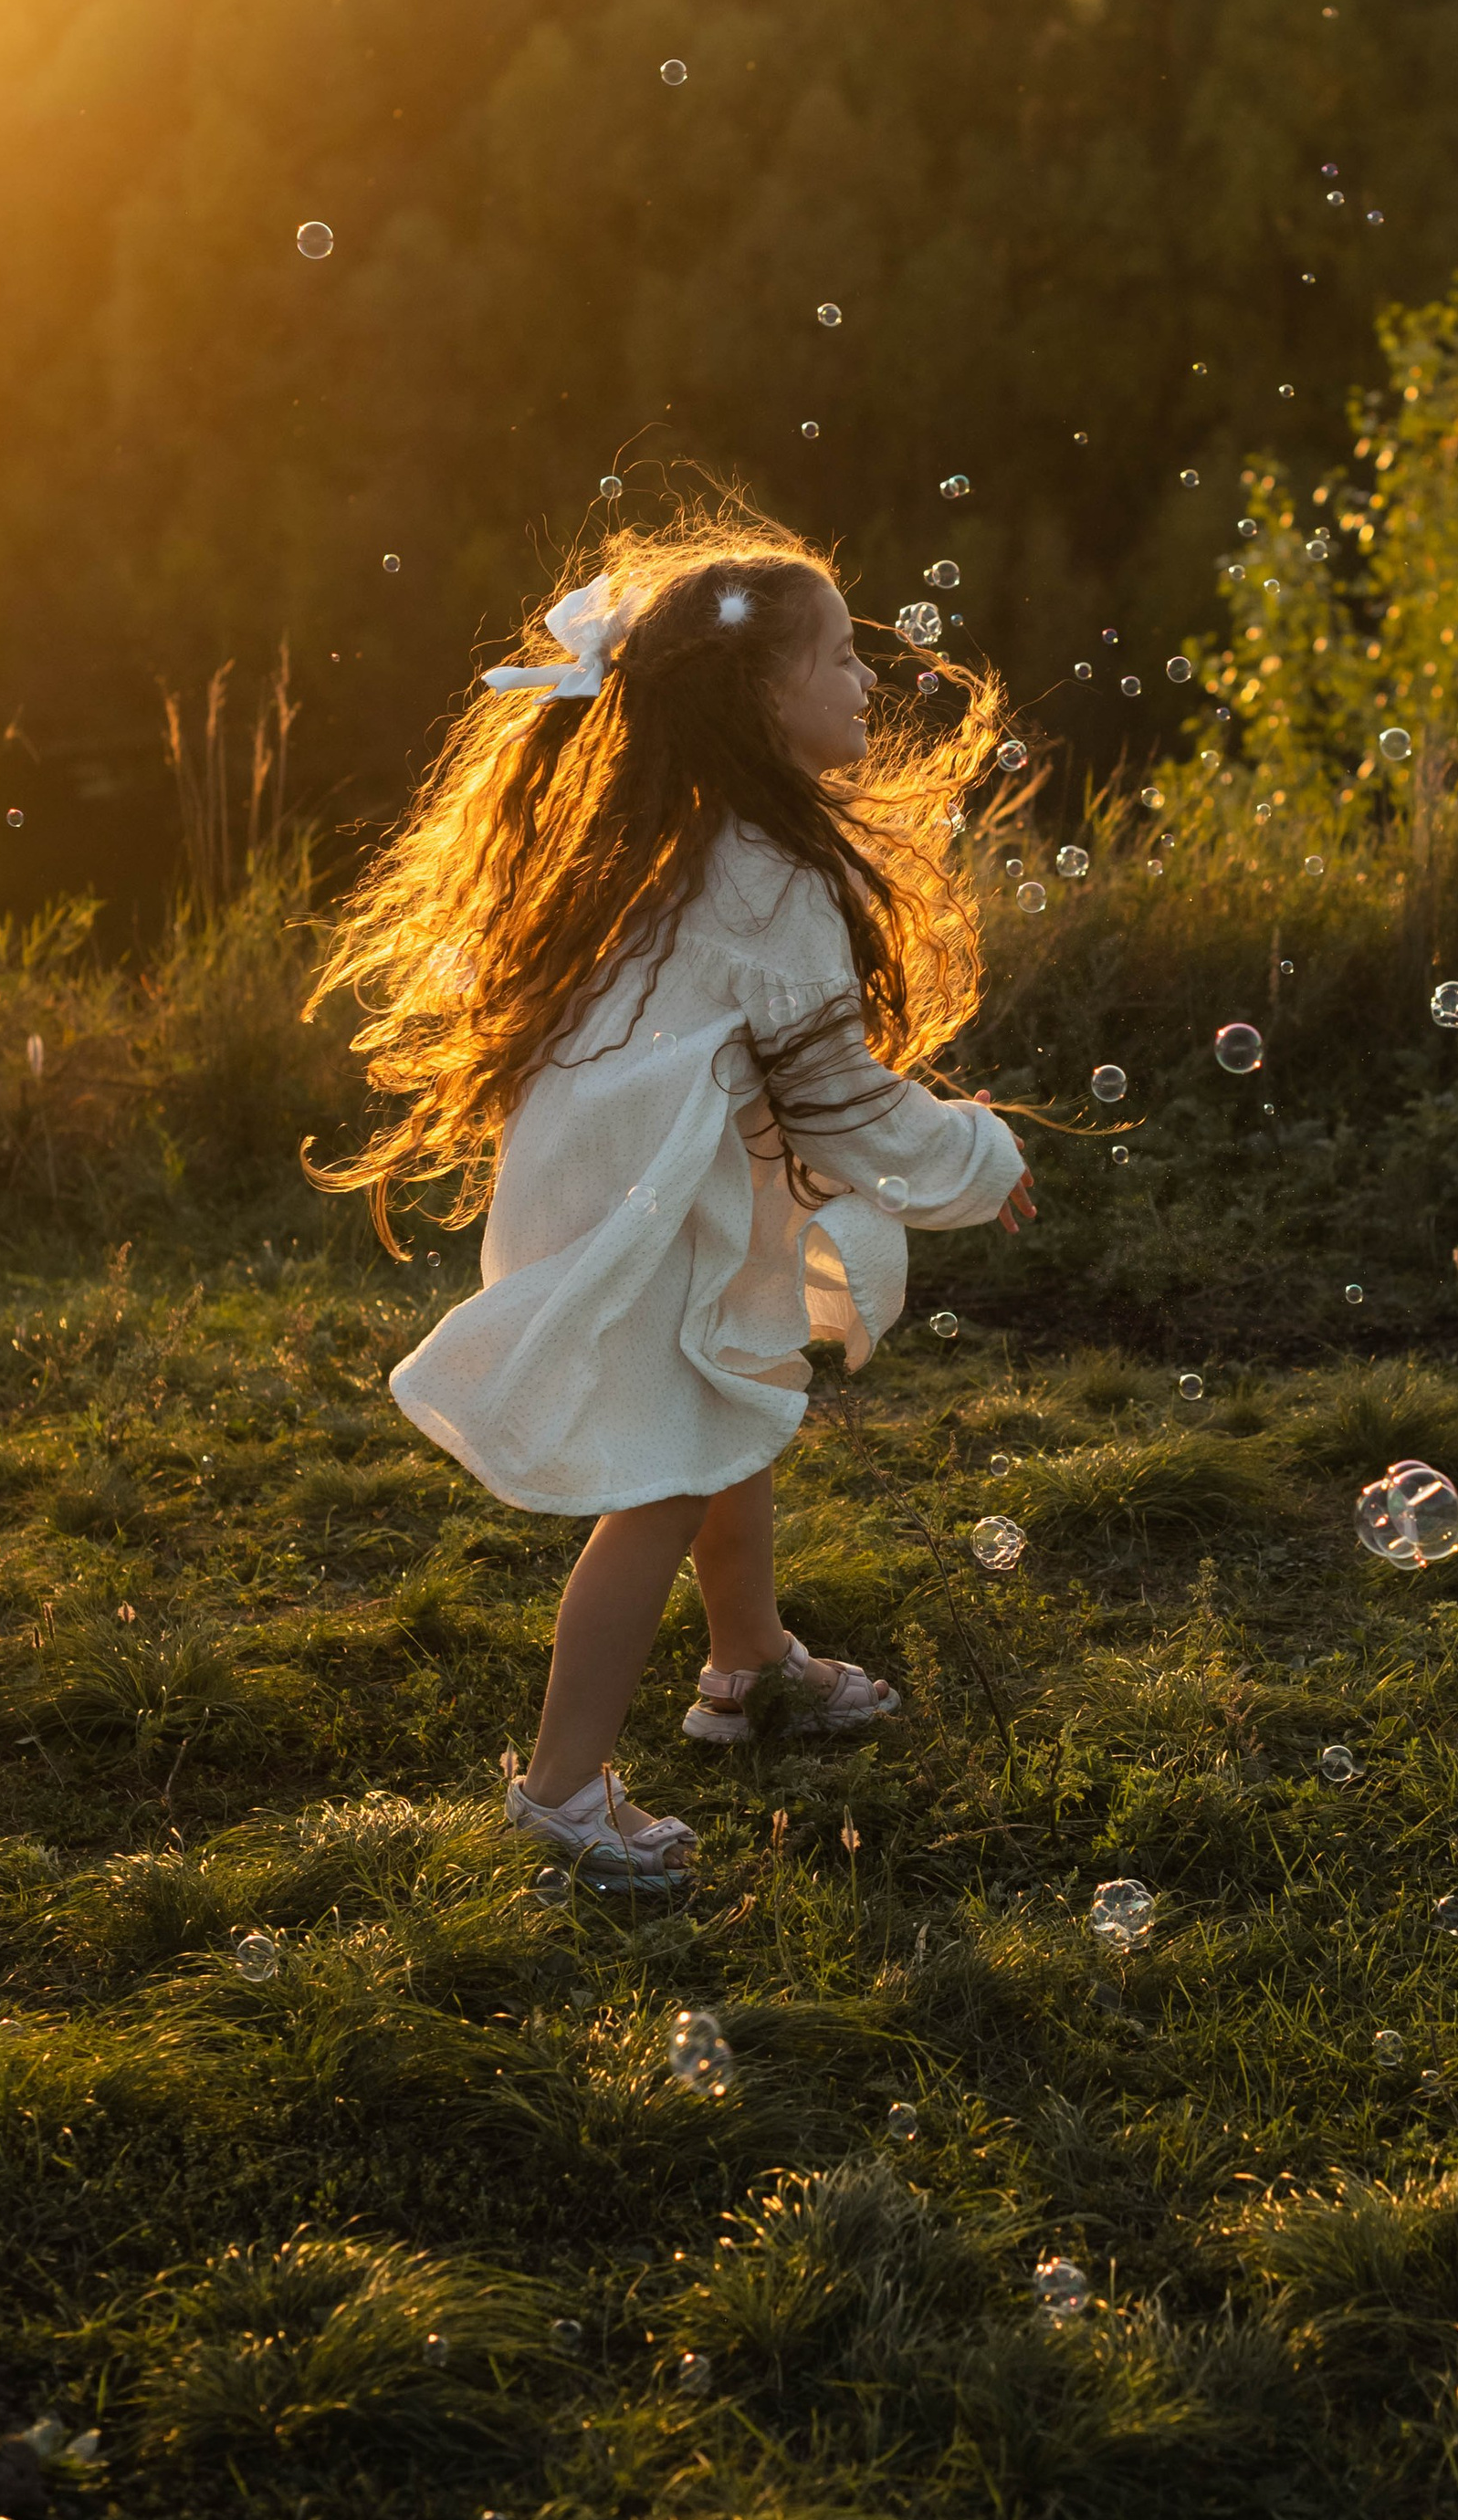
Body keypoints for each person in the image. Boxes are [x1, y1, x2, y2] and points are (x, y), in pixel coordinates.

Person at [305, 505, 1033, 1888]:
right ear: (762, 699)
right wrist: (978, 1161)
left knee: (730, 1419)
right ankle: (562, 1791)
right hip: (646, 1221)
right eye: (835, 658)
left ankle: (746, 1660)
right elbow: (836, 1102)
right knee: (658, 1487)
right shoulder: (766, 881)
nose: (865, 681)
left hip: (633, 1200)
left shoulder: (666, 840)